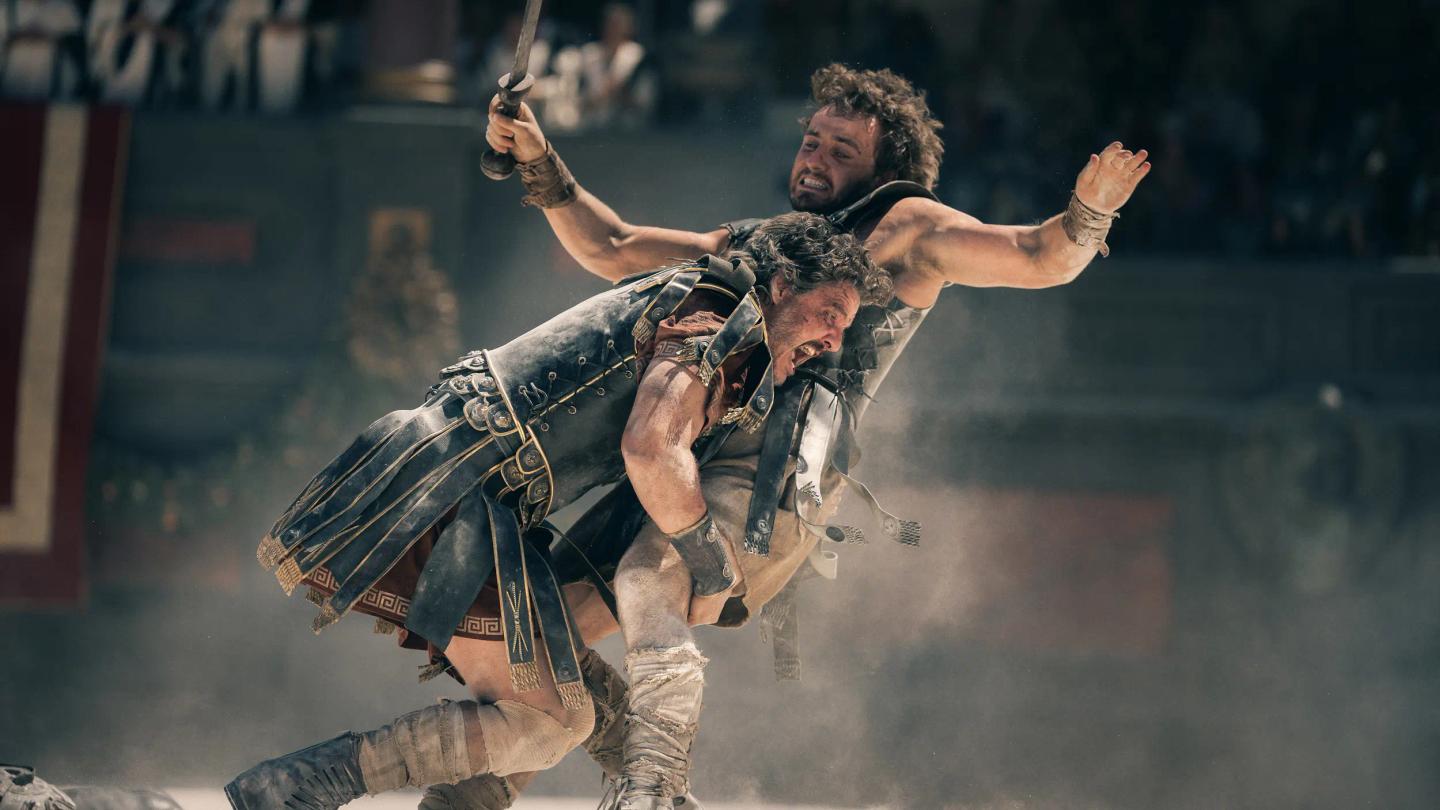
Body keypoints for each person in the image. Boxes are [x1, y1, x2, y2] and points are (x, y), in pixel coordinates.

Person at [478, 63, 1152, 809]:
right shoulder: (776, 243)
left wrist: (1090, 212)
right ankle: (488, 796)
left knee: (651, 571)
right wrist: (538, 159)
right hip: (689, 453)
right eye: (812, 142)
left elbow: (1038, 255)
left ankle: (652, 792)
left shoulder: (910, 225)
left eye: (841, 151)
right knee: (542, 637)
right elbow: (615, 246)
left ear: (884, 171)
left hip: (774, 475)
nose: (815, 159)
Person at [222, 213, 892, 810]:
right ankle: (293, 790)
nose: (835, 336)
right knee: (551, 720)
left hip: (465, 497)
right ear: (781, 285)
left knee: (558, 707)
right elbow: (652, 448)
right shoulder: (719, 319)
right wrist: (710, 560)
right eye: (830, 310)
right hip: (451, 492)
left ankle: (296, 789)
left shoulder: (710, 301)